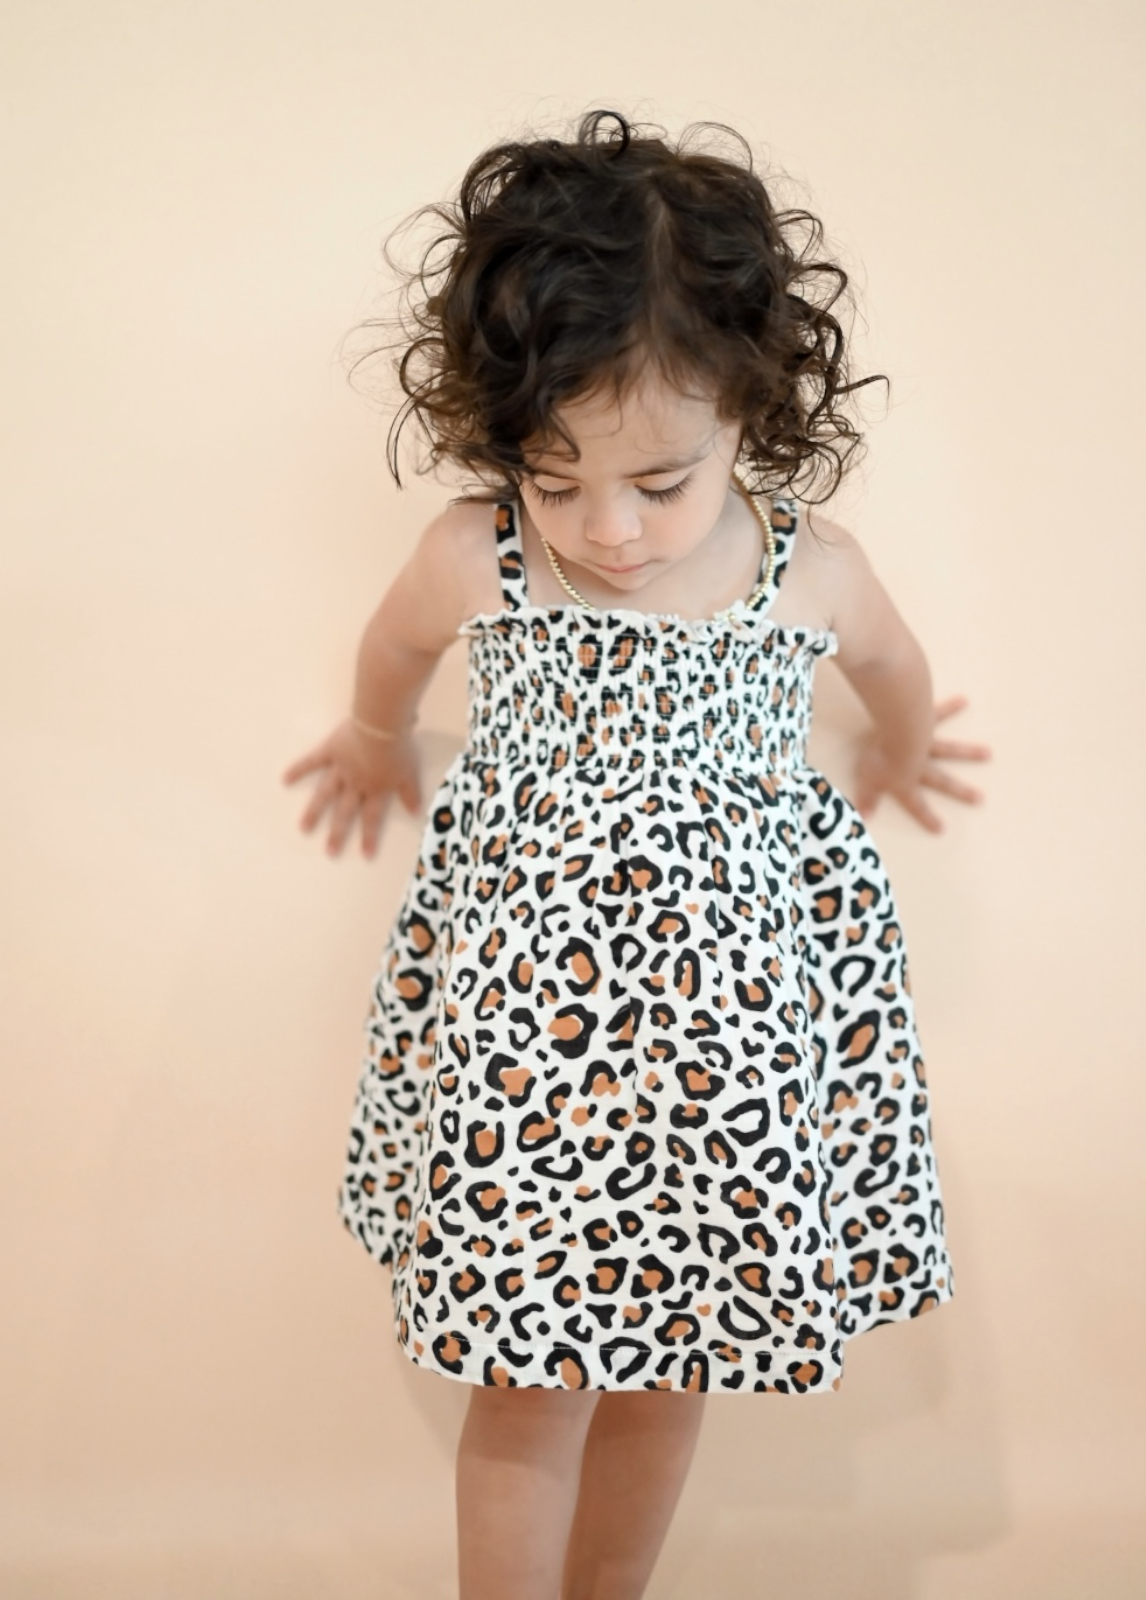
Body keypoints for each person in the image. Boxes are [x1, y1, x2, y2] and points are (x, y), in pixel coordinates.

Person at [282, 110, 990, 1600]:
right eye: (556, 481)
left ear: (753, 410)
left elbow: (896, 668)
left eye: (659, 483)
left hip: (723, 1062)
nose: (607, 530)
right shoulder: (479, 557)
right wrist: (368, 737)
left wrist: (906, 748)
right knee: (526, 1375)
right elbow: (395, 649)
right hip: (534, 1063)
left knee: (674, 1365)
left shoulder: (809, 569)